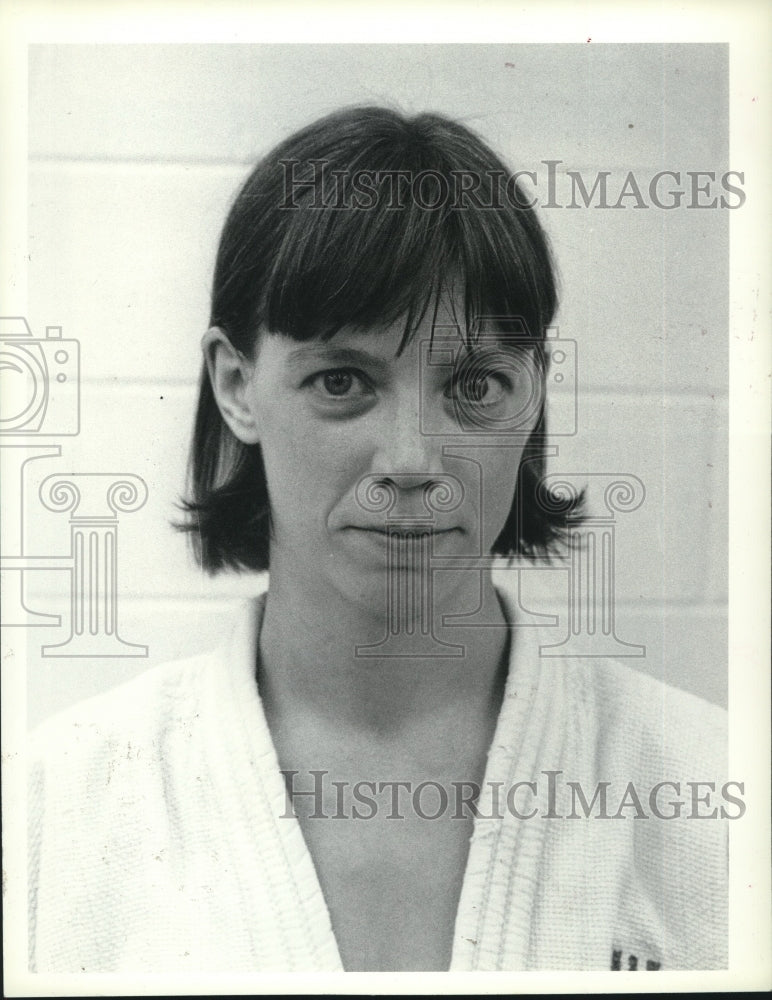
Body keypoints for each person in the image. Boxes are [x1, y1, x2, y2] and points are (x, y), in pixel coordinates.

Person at [28, 106, 728, 974]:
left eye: (473, 383)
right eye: (342, 381)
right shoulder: (55, 806)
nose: (410, 459)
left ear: (536, 391)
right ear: (237, 385)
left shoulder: (714, 796)